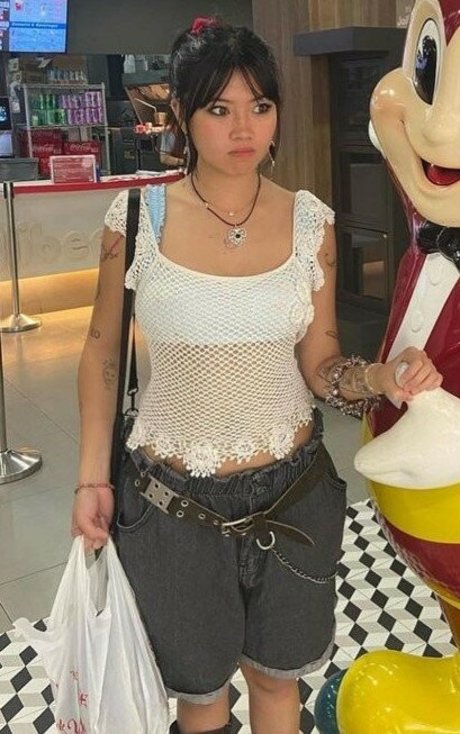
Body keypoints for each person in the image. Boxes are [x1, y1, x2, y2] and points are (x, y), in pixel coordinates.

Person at [72, 16, 443, 734]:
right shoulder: (138, 217)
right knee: (202, 695)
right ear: (184, 113)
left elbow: (321, 366)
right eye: (219, 108)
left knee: (277, 684)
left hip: (293, 497)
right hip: (172, 503)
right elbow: (101, 351)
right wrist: (93, 479)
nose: (244, 129)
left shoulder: (310, 222)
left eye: (260, 106)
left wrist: (380, 376)